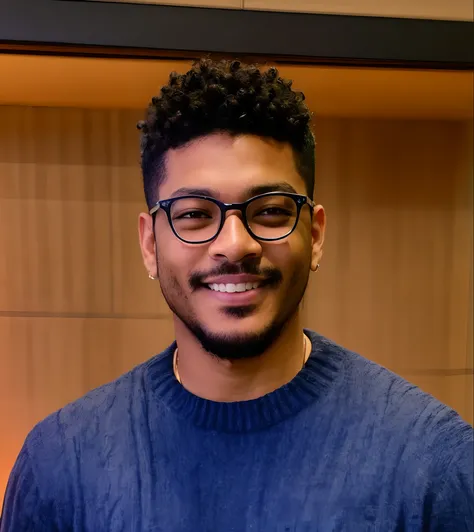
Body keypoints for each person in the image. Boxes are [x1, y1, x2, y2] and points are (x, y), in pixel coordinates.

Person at [1, 58, 472, 531]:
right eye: (193, 214)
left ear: (317, 234)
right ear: (149, 244)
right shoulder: (60, 469)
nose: (234, 244)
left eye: (269, 211)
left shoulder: (433, 467)